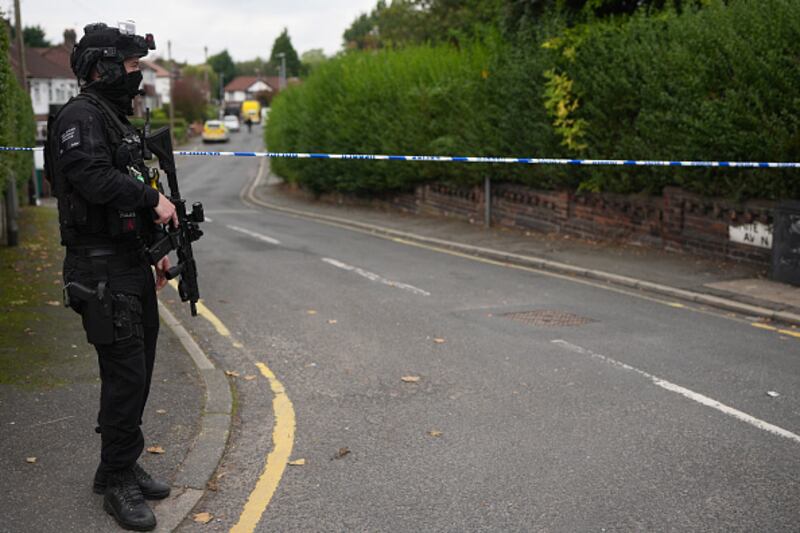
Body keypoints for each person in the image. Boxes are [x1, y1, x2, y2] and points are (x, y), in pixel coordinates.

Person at [46, 22, 177, 531]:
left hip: (127, 264)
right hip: (99, 269)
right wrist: (153, 201)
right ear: (102, 67)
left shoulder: (112, 118)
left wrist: (155, 251)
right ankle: (117, 480)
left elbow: (127, 184)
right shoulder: (80, 117)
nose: (136, 76)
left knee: (137, 372)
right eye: (130, 65)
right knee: (124, 376)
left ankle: (116, 464)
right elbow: (93, 179)